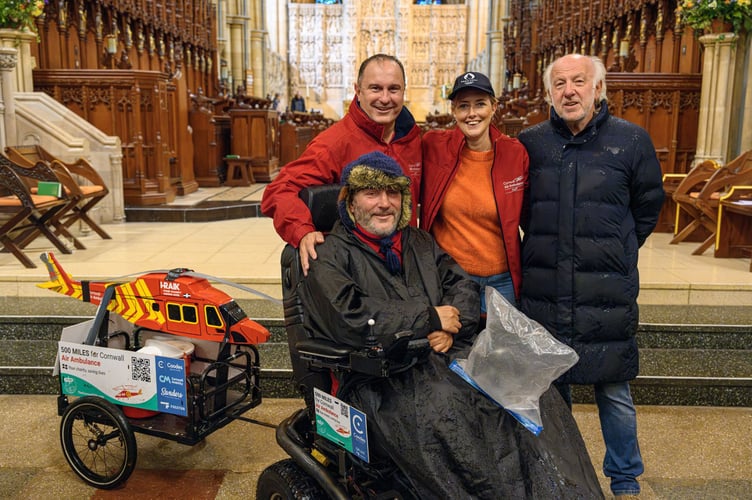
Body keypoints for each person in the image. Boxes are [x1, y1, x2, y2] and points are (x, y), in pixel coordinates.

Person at [300, 151, 603, 499]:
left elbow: (461, 286)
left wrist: (448, 325)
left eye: (393, 193)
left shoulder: (419, 242)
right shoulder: (329, 253)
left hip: (443, 356)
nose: (384, 204)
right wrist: (428, 317)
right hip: (380, 377)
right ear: (351, 204)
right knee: (453, 415)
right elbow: (348, 316)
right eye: (371, 193)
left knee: (529, 390)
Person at [517, 54, 665, 498]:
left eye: (579, 81)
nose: (569, 91)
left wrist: (615, 251)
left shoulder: (632, 141)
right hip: (546, 288)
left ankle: (624, 480)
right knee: (553, 395)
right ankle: (562, 476)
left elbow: (648, 206)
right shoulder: (531, 143)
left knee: (614, 392)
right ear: (549, 93)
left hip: (606, 291)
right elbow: (521, 210)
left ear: (598, 89)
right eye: (560, 83)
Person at [261, 54, 422, 275]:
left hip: (407, 264)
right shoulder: (335, 142)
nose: (385, 99)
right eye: (375, 88)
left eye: (393, 89)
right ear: (358, 90)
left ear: (404, 91)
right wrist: (302, 230)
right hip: (359, 269)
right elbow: (279, 190)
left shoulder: (414, 139)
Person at [421, 71, 528, 312]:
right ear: (453, 111)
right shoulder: (433, 146)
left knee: (501, 348)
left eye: (480, 104)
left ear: (494, 107)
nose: (472, 114)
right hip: (452, 277)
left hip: (502, 279)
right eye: (463, 106)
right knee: (455, 347)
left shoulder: (515, 153)